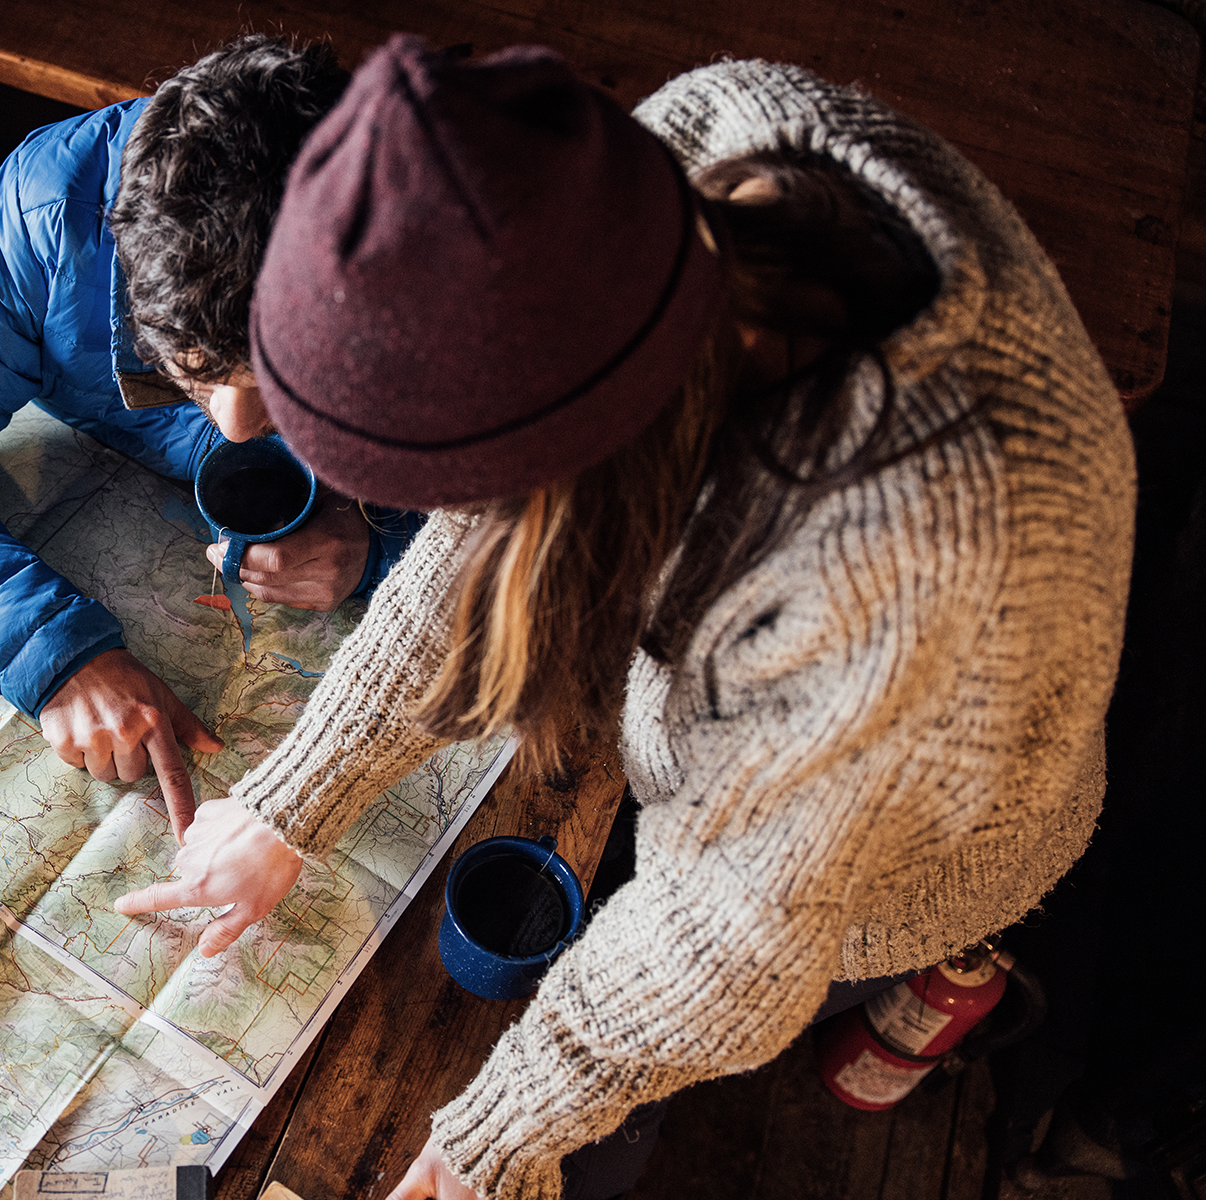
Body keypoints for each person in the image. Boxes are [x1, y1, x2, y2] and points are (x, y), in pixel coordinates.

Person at [116, 36, 1133, 1200]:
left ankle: (937, 1000)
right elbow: (475, 538)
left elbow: (728, 937)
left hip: (902, 851)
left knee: (628, 1110)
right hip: (742, 746)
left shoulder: (906, 580)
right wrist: (296, 799)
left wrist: (499, 1132)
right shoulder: (643, 181)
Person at [0, 36, 423, 834]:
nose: (233, 427)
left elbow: (548, 515)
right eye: (190, 372)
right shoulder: (47, 223)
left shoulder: (437, 259)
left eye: (290, 386)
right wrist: (56, 657)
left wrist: (379, 541)